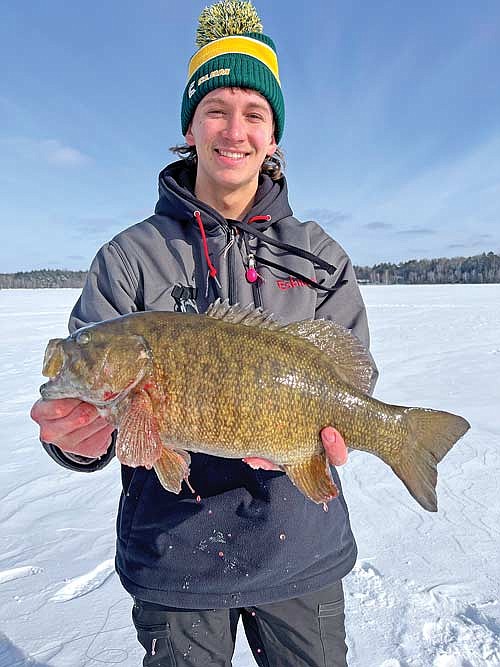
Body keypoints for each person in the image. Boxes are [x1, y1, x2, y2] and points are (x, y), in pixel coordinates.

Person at [31, 2, 377, 665]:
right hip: (174, 556)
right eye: (216, 107)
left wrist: (341, 431)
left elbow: (352, 379)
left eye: (255, 112)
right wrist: (76, 438)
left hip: (299, 543)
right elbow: (90, 416)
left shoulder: (321, 256)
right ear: (189, 125)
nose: (234, 129)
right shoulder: (128, 259)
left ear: (274, 136)